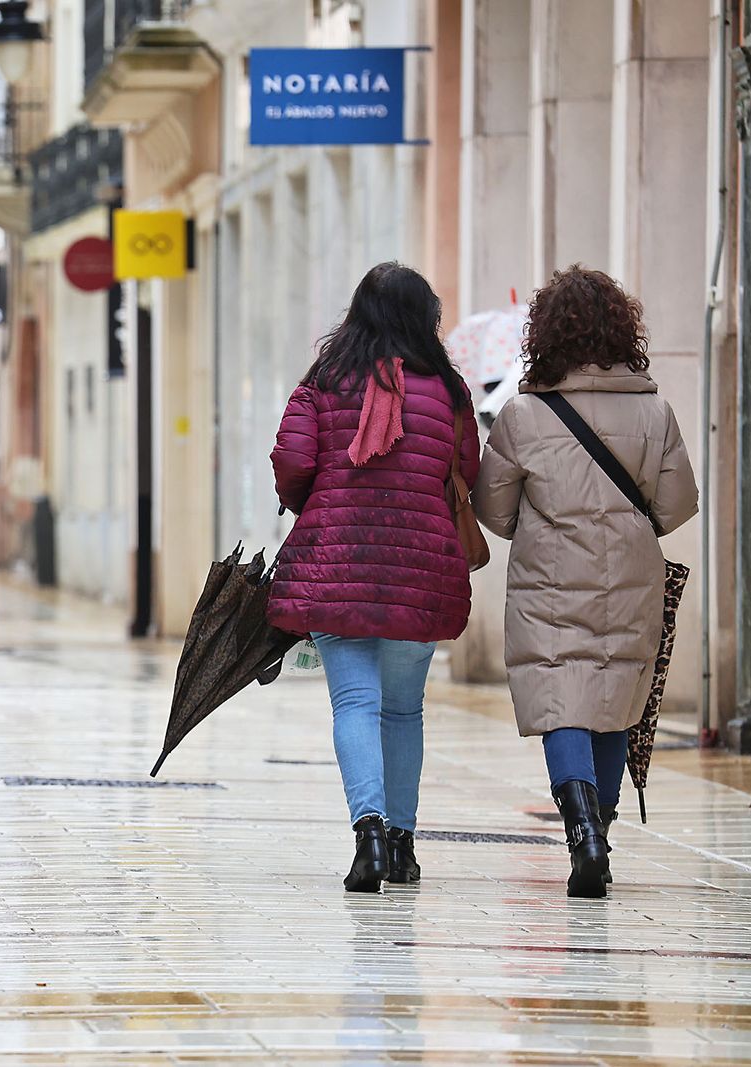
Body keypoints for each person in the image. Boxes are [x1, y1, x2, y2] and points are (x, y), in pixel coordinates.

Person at [473, 266, 697, 898]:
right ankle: (601, 826)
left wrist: (543, 524)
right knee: (615, 696)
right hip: (632, 570)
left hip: (548, 575)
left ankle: (582, 833)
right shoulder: (655, 411)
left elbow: (492, 510)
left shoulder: (522, 414)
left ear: (545, 334)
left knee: (560, 694)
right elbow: (678, 506)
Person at [268, 262, 480, 893]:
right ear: (425, 319)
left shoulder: (323, 382)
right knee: (403, 710)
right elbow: (468, 469)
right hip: (420, 566)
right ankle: (403, 843)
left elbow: (291, 461)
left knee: (354, 704)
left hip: (338, 561)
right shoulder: (448, 391)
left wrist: (316, 499)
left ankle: (369, 835)